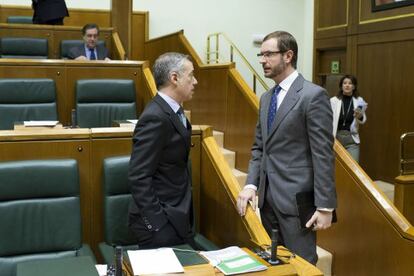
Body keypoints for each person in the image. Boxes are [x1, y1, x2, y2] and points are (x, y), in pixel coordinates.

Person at [237, 31, 337, 264]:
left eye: (268, 54)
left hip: (296, 201)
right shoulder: (266, 97)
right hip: (266, 201)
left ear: (288, 55)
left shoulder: (313, 96)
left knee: (301, 265)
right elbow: (260, 148)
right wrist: (251, 184)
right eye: (260, 55)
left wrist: (325, 206)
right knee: (275, 264)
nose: (262, 60)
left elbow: (323, 155)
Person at [128, 52, 198, 249]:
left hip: (177, 214)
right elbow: (138, 176)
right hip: (160, 221)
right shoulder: (155, 117)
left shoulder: (174, 110)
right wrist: (158, 224)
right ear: (174, 78)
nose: (195, 81)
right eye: (191, 76)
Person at [330, 75, 367, 163]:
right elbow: (327, 119)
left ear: (354, 86)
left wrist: (359, 116)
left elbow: (363, 119)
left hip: (352, 140)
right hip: (336, 139)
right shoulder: (333, 101)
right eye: (345, 83)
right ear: (341, 86)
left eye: (350, 83)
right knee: (335, 167)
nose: (347, 85)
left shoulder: (359, 100)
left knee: (354, 168)